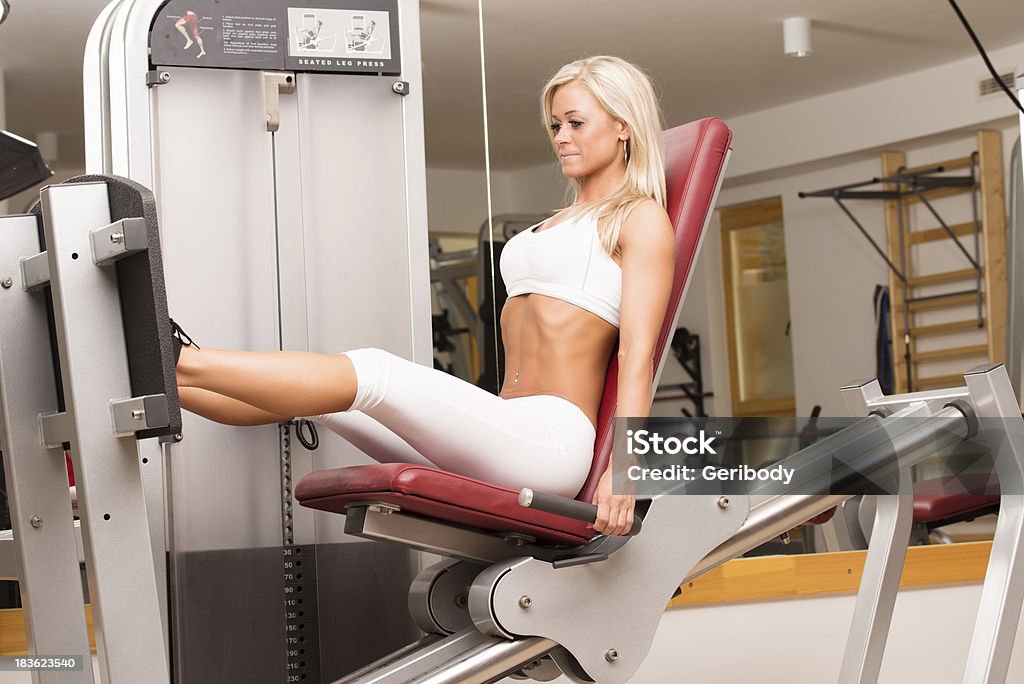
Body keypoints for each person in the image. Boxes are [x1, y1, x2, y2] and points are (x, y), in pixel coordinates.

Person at [173, 55, 674, 537]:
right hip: (506, 426)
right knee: (331, 404)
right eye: (555, 125)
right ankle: (162, 386)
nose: (561, 137)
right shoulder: (558, 223)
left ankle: (180, 360)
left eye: (575, 123)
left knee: (373, 372)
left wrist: (625, 472)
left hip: (549, 440)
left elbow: (636, 356)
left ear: (623, 125)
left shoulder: (638, 217)